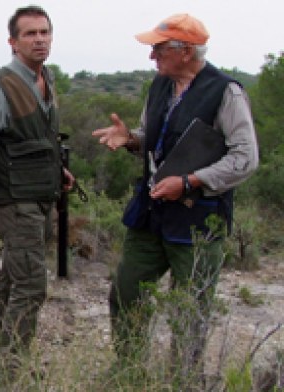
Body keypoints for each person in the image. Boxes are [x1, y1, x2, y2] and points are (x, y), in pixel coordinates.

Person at [92, 13, 259, 382]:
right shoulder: (160, 87)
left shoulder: (225, 92)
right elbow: (159, 142)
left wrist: (190, 182)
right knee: (127, 292)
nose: (152, 57)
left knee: (189, 310)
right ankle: (129, 374)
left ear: (184, 51)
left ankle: (182, 381)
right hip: (150, 214)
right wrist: (132, 139)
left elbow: (245, 158)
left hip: (199, 220)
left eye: (158, 49)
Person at [0, 5, 74, 379]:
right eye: (30, 34)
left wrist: (59, 172)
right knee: (31, 285)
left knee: (11, 282)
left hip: (41, 200)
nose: (39, 39)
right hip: (15, 202)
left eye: (44, 32)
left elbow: (36, 140)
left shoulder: (46, 79)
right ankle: (14, 372)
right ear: (13, 41)